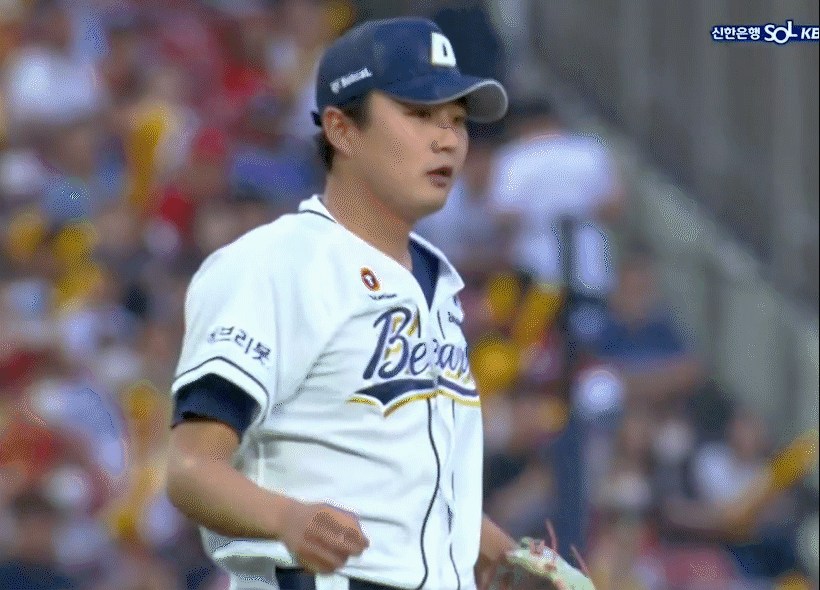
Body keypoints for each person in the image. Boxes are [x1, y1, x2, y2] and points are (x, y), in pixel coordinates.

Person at [164, 16, 594, 590]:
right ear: (342, 131)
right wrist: (285, 519)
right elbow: (191, 469)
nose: (448, 140)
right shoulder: (274, 265)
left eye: (457, 120)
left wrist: (485, 545)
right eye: (419, 114)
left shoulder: (439, 284)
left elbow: (395, 482)